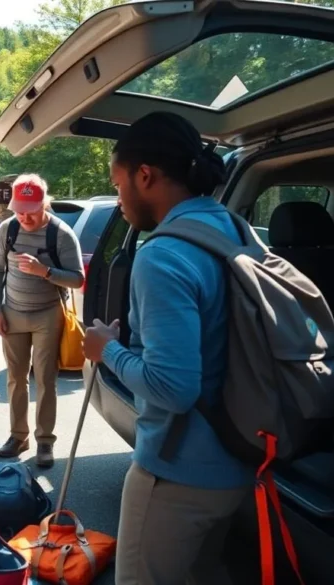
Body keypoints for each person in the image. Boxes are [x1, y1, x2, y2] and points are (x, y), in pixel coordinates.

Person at [82, 111, 254, 585]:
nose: (119, 200)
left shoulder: (161, 256)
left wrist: (106, 350)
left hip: (179, 473)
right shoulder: (235, 229)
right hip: (237, 459)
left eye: (118, 185)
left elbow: (172, 388)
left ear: (145, 175)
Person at [0, 173, 84, 468]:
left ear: (44, 204)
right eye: (19, 210)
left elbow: (77, 279)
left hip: (47, 315)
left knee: (45, 379)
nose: (24, 217)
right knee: (15, 378)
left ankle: (45, 441)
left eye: (30, 211)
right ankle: (18, 436)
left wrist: (45, 271)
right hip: (13, 313)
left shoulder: (61, 234)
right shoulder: (8, 230)